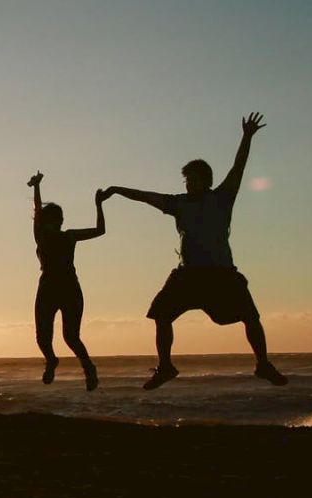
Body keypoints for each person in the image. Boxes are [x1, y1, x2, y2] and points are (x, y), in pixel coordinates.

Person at [104, 112, 288, 390]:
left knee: (251, 317)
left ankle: (263, 364)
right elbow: (146, 196)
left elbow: (238, 167)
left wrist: (246, 137)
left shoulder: (222, 198)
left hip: (221, 275)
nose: (188, 185)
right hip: (188, 276)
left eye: (193, 180)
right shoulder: (178, 203)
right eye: (186, 181)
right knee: (161, 315)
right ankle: (166, 366)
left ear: (206, 181)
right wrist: (117, 189)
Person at [27, 172, 107, 390]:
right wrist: (36, 187)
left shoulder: (69, 236)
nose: (53, 224)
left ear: (61, 222)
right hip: (47, 289)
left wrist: (98, 205)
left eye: (56, 221)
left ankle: (89, 369)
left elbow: (100, 230)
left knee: (71, 337)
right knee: (43, 338)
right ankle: (51, 360)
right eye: (48, 221)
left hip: (70, 288)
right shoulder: (40, 235)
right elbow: (36, 210)